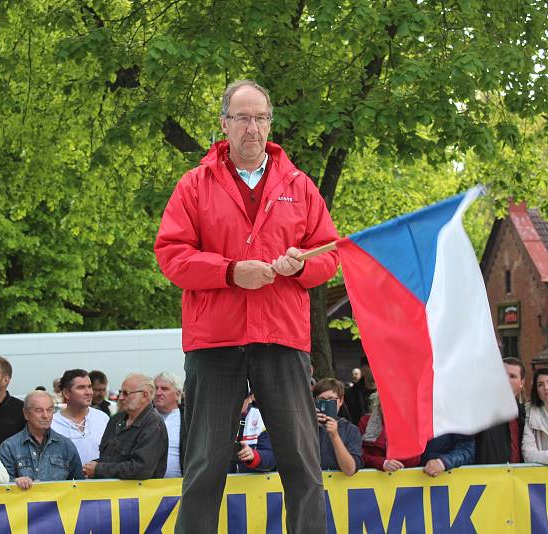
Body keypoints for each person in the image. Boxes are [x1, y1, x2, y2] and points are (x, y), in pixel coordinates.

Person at [154, 79, 339, 534]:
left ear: (269, 124)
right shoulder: (194, 185)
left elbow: (330, 255)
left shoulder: (299, 185)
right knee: (203, 467)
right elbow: (171, 256)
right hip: (215, 340)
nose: (251, 128)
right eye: (242, 118)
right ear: (224, 125)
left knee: (302, 463)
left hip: (281, 336)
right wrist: (231, 271)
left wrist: (299, 268)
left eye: (259, 118)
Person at [240, 379, 362, 476]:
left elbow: (350, 470)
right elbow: (290, 459)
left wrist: (334, 435)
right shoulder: (303, 425)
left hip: (339, 495)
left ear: (341, 401)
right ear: (314, 401)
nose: (326, 404)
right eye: (322, 400)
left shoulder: (350, 430)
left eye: (331, 400)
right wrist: (307, 423)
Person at [0, 390, 82, 489]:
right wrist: (14, 482)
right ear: (26, 414)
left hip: (58, 504)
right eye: (39, 410)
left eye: (50, 410)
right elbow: (0, 486)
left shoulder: (66, 446)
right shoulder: (9, 447)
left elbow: (79, 485)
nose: (45, 415)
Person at [91, 373, 167, 480]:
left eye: (126, 393)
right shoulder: (115, 420)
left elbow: (141, 469)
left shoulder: (153, 424)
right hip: (108, 492)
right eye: (121, 392)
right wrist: (93, 466)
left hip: (139, 496)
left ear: (144, 395)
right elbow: (107, 458)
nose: (121, 397)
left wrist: (98, 469)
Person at [51, 369, 109, 478]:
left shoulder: (103, 418)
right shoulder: (52, 424)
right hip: (67, 490)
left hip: (101, 489)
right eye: (81, 387)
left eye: (89, 386)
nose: (89, 392)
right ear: (67, 393)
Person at [475, 357, 527, 464]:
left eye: (512, 376)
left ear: (521, 382)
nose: (506, 380)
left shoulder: (526, 413)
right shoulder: (480, 410)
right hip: (488, 476)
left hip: (520, 478)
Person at [360, 392, 421, 471]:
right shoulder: (365, 422)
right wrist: (382, 463)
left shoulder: (410, 424)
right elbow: (360, 454)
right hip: (372, 478)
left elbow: (415, 460)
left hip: (402, 478)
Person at [153, 372, 185, 478]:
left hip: (180, 487)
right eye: (155, 388)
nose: (158, 393)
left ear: (178, 394)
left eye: (164, 389)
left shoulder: (188, 420)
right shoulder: (143, 418)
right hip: (146, 489)